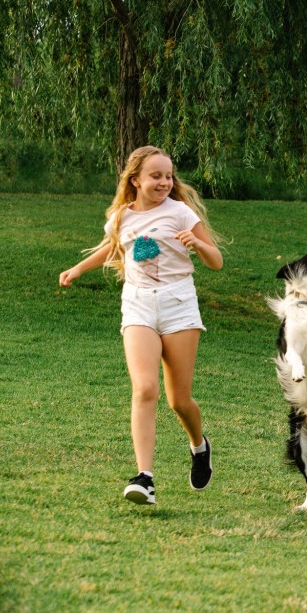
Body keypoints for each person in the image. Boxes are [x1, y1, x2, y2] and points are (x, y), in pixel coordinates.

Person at [59, 146, 224, 506]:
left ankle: (199, 445)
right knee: (145, 388)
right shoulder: (122, 217)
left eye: (168, 176)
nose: (165, 182)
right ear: (135, 180)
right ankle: (145, 478)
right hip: (137, 305)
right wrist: (79, 268)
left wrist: (196, 242)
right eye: (156, 176)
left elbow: (216, 261)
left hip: (179, 305)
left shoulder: (181, 212)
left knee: (179, 400)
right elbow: (112, 248)